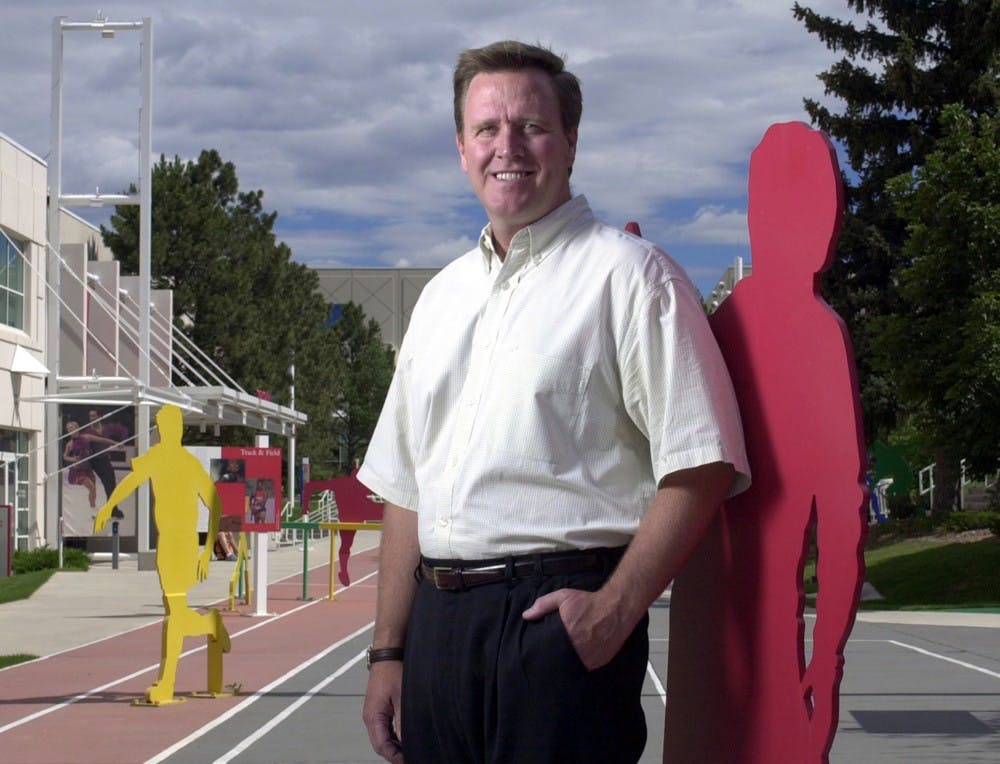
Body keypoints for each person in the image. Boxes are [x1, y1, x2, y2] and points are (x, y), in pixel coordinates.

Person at [358, 40, 750, 764]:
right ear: (461, 147)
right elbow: (407, 490)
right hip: (438, 629)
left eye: (531, 126)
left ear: (570, 141)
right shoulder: (440, 300)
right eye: (486, 129)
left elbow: (704, 463)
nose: (506, 147)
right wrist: (389, 652)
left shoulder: (633, 279)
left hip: (556, 623)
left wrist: (616, 609)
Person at [93, 404, 231, 705]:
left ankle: (166, 683)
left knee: (174, 617)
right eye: (159, 426)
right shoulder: (157, 457)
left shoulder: (188, 463)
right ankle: (211, 625)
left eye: (166, 426)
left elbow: (215, 503)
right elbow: (132, 481)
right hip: (166, 542)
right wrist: (109, 504)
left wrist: (207, 551)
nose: (162, 431)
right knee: (175, 614)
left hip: (182, 545)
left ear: (177, 429)